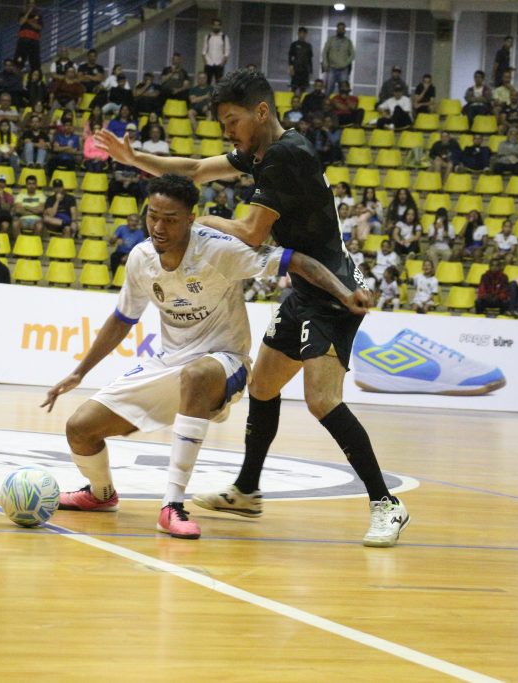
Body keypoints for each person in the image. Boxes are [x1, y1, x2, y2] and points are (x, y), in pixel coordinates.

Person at [94, 69, 410, 546]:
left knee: (323, 401)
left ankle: (387, 503)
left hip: (334, 291)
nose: (227, 130)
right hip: (304, 288)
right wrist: (134, 157)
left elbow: (250, 232)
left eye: (232, 120)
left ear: (261, 112)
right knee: (262, 386)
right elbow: (198, 170)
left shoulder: (286, 156)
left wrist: (194, 219)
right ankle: (246, 489)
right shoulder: (263, 150)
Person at [41, 174, 369, 540]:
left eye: (170, 219)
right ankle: (101, 494)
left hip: (223, 361)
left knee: (197, 375)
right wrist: (79, 373)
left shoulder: (219, 251)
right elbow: (122, 319)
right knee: (80, 429)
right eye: (153, 216)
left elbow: (296, 261)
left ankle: (172, 505)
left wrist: (344, 291)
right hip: (169, 362)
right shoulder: (141, 258)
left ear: (191, 218)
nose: (158, 227)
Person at [321, 22, 354, 95]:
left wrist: (345, 63)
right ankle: (325, 104)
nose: (341, 30)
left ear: (345, 30)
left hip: (343, 70)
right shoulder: (331, 40)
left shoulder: (348, 42)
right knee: (328, 89)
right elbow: (324, 52)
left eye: (342, 29)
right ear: (337, 30)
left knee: (344, 90)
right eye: (339, 29)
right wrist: (325, 63)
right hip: (332, 69)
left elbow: (352, 55)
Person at [14, 0, 43, 73]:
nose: (31, 5)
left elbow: (39, 27)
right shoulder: (22, 14)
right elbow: (21, 22)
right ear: (27, 5)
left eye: (33, 3)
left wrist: (28, 21)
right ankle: (16, 77)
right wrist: (28, 12)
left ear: (35, 5)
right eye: (30, 3)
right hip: (23, 40)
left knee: (35, 62)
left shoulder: (39, 15)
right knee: (19, 61)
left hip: (34, 41)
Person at [202, 18, 229, 85]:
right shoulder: (208, 36)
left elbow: (227, 51)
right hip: (209, 63)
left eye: (218, 25)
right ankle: (207, 95)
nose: (216, 27)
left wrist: (222, 63)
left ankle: (217, 96)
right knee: (207, 83)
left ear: (220, 26)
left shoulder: (224, 37)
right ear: (212, 26)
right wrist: (206, 62)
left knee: (219, 84)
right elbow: (204, 51)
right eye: (214, 25)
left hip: (219, 63)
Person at [288, 27, 313, 96]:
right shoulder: (294, 44)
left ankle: (302, 104)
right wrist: (291, 67)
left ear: (306, 34)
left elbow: (310, 59)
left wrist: (310, 70)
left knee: (303, 88)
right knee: (294, 87)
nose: (302, 35)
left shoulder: (308, 46)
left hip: (305, 70)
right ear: (298, 34)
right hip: (296, 69)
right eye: (300, 33)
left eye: (303, 33)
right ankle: (292, 103)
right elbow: (290, 56)